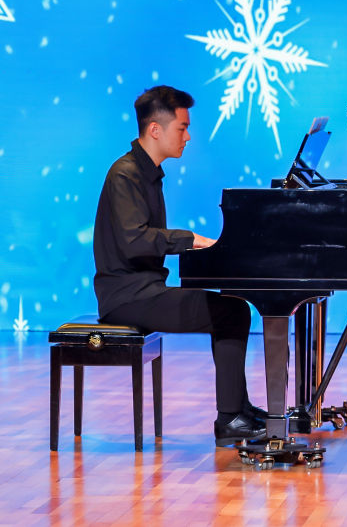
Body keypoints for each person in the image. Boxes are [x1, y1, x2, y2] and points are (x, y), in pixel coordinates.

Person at [93, 85, 267, 446]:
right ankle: (230, 418)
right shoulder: (124, 174)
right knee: (231, 311)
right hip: (126, 297)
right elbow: (135, 240)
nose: (188, 137)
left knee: (233, 307)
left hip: (143, 290)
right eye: (182, 128)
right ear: (155, 129)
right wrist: (192, 239)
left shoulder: (147, 173)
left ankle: (238, 409)